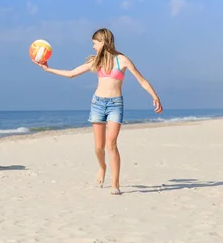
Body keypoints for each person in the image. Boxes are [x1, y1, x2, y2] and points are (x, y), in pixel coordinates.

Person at [33, 28, 163, 195]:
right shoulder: (96, 61)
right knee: (98, 147)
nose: (93, 47)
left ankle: (115, 184)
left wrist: (155, 96)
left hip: (115, 104)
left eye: (94, 43)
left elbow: (141, 80)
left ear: (103, 42)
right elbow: (72, 74)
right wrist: (48, 70)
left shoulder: (122, 60)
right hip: (98, 104)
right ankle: (102, 167)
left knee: (111, 144)